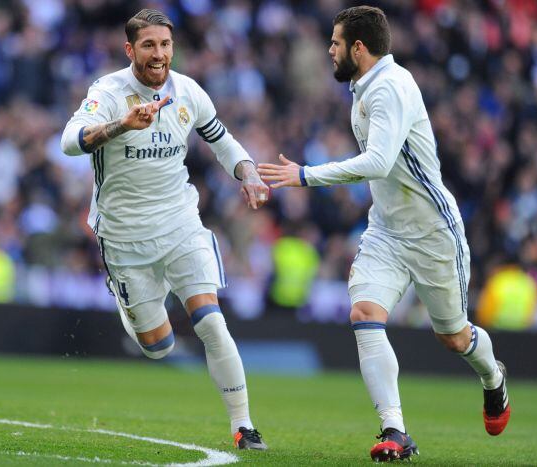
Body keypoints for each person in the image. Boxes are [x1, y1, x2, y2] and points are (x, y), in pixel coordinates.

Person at [258, 6, 510, 461]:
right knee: (364, 314)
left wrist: (307, 175)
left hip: (433, 231)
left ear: (359, 47)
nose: (330, 51)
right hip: (387, 232)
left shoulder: (390, 87)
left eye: (336, 43)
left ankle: (493, 377)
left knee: (453, 337)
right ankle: (395, 429)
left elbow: (378, 162)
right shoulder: (365, 86)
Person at [61, 9, 269, 450]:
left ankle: (244, 426)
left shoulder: (188, 91)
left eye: (166, 45)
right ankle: (127, 300)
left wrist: (247, 171)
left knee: (211, 321)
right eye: (149, 45)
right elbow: (69, 141)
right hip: (123, 236)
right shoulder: (110, 92)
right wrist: (121, 125)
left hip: (180, 223)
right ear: (130, 49)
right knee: (159, 347)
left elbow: (222, 140)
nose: (159, 54)